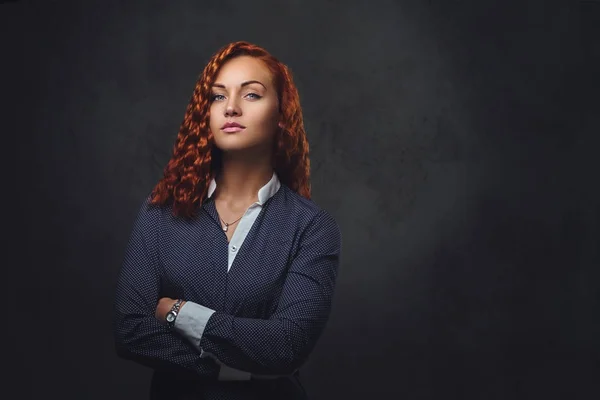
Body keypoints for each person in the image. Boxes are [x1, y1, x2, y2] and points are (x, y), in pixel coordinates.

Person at [112, 41, 343, 400]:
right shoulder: (160, 212)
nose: (231, 108)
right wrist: (232, 370)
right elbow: (131, 331)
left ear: (282, 114)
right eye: (218, 97)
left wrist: (179, 313)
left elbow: (287, 346)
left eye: (251, 95)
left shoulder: (312, 228)